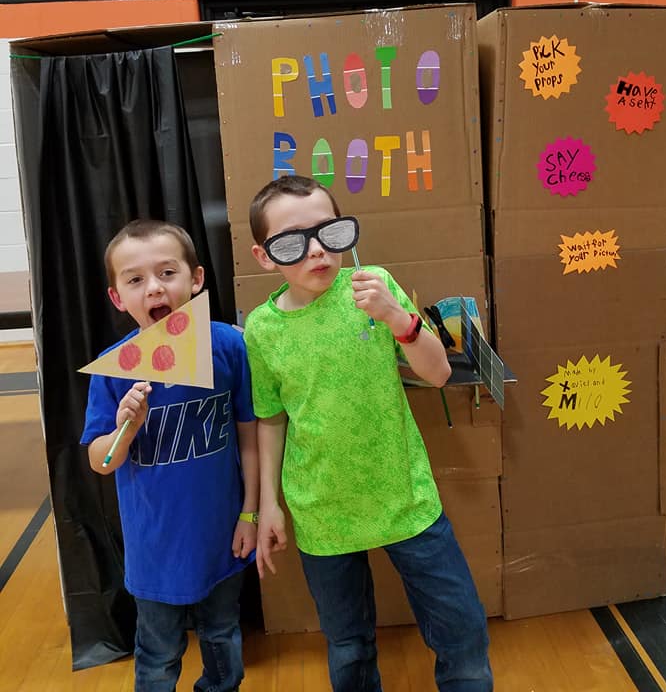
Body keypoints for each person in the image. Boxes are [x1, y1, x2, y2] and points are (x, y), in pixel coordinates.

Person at [244, 175, 493, 692]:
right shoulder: (262, 330)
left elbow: (439, 374)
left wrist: (398, 317)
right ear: (265, 256)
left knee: (461, 632)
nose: (317, 251)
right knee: (350, 646)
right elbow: (270, 418)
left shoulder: (374, 285)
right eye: (293, 242)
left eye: (329, 232)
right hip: (322, 509)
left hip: (405, 496)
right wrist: (267, 504)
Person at [81, 219, 258, 692]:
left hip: (224, 537)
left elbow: (250, 434)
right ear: (118, 297)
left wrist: (251, 513)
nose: (154, 288)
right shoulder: (115, 370)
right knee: (158, 654)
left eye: (166, 273)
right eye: (135, 280)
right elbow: (102, 460)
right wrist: (125, 425)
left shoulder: (229, 346)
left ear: (196, 279)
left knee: (223, 640)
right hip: (154, 548)